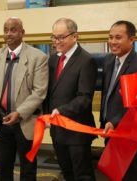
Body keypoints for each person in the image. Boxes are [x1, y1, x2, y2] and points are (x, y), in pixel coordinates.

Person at [0, 17, 49, 181]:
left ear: (22, 32)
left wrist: (19, 113)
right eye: (5, 30)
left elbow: (39, 92)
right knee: (3, 168)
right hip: (3, 121)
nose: (8, 34)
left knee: (28, 169)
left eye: (13, 30)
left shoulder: (38, 57)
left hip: (25, 122)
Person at [43, 18, 97, 181]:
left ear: (75, 36)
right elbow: (49, 92)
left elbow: (85, 97)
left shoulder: (86, 60)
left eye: (61, 37)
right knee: (66, 173)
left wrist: (61, 111)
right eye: (54, 37)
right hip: (57, 131)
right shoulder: (53, 59)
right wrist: (46, 115)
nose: (56, 41)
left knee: (83, 175)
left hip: (77, 132)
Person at [100, 20, 137, 181]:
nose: (113, 42)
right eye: (110, 37)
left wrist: (114, 121)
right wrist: (105, 120)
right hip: (110, 129)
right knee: (114, 173)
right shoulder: (108, 61)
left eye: (118, 37)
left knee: (130, 174)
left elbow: (134, 106)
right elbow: (108, 94)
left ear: (132, 40)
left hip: (128, 133)